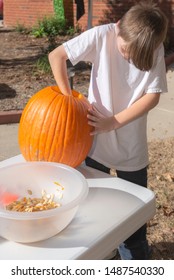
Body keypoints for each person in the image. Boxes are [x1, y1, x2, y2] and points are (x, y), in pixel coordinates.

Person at [48, 1, 168, 260]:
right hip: (94, 144)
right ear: (117, 28)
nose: (128, 58)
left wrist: (114, 122)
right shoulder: (102, 35)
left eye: (135, 57)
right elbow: (56, 56)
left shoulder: (153, 47)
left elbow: (153, 96)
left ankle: (135, 260)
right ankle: (107, 256)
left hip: (131, 147)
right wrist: (68, 102)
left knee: (133, 221)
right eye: (126, 51)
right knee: (96, 215)